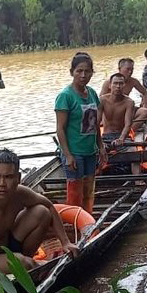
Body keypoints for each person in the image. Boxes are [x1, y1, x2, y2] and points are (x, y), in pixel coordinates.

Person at [0, 149, 77, 279]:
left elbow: (50, 206)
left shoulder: (20, 194)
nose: (2, 184)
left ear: (18, 178)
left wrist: (65, 242)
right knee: (21, 263)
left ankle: (26, 259)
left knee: (42, 212)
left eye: (8, 177)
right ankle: (24, 263)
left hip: (6, 247)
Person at [55, 52, 107, 214]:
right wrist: (68, 155)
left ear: (92, 73)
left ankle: (87, 221)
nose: (83, 75)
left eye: (87, 71)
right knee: (75, 192)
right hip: (74, 152)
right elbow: (60, 129)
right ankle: (73, 225)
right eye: (79, 71)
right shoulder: (65, 96)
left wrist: (101, 146)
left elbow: (94, 124)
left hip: (90, 150)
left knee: (89, 190)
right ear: (72, 72)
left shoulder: (91, 93)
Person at [100, 58, 147, 130]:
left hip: (126, 110)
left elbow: (145, 93)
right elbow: (100, 102)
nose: (130, 72)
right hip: (112, 112)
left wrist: (146, 106)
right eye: (128, 69)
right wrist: (101, 119)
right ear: (120, 69)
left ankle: (129, 131)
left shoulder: (133, 81)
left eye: (132, 70)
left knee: (145, 112)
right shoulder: (109, 82)